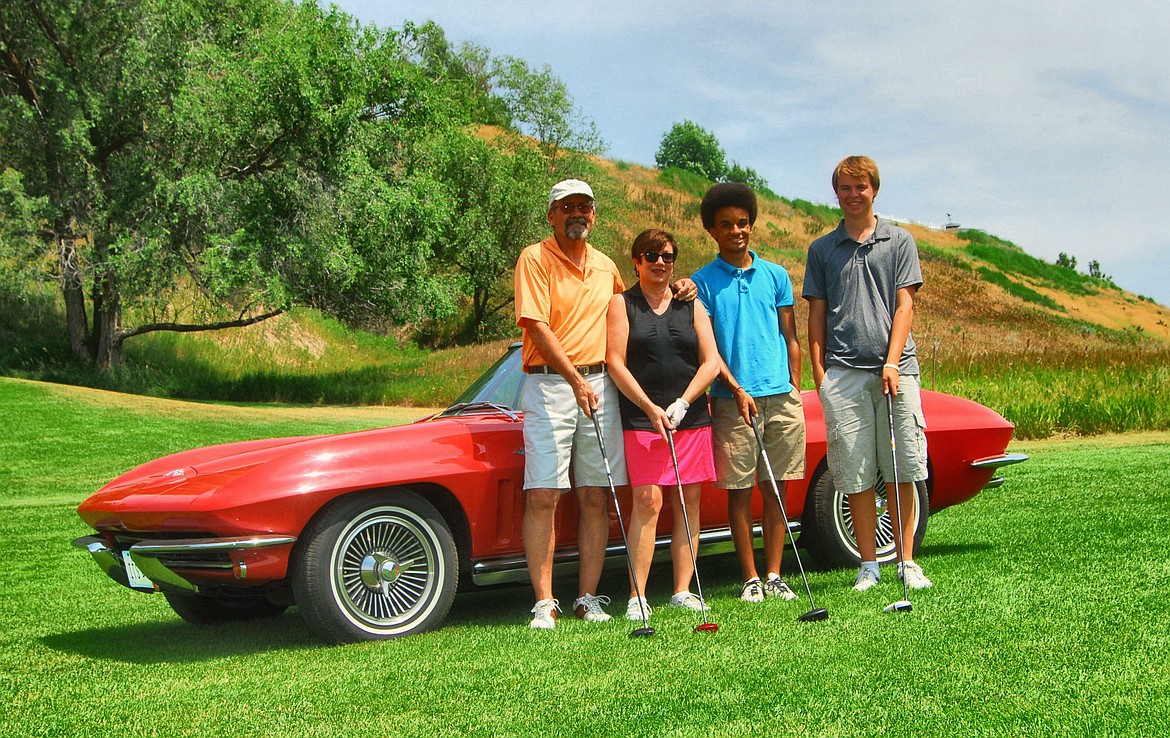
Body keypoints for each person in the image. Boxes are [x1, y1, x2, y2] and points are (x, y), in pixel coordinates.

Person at [514, 179, 697, 630]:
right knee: (543, 494)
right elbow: (536, 326)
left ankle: (587, 597)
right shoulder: (534, 258)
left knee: (597, 495)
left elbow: (638, 302)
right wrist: (575, 380)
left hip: (601, 385)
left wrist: (680, 286)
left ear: (594, 215)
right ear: (552, 214)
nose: (578, 214)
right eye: (567, 207)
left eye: (585, 207)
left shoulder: (604, 266)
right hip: (553, 384)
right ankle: (544, 602)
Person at [802, 155, 933, 593]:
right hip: (844, 376)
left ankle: (907, 561)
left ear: (874, 189)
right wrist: (821, 374)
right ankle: (869, 565)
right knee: (855, 473)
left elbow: (905, 306)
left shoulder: (899, 242)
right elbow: (815, 316)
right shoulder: (822, 250)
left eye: (860, 187)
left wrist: (893, 362)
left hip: (897, 372)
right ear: (836, 193)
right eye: (845, 188)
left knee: (904, 468)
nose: (853, 194)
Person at [691, 183, 806, 603]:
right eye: (726, 225)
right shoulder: (702, 283)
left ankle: (775, 575)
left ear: (751, 224)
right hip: (730, 402)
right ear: (712, 231)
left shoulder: (776, 275)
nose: (736, 231)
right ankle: (751, 578)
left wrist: (793, 383)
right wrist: (736, 388)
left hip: (781, 398)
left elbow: (789, 335)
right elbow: (711, 351)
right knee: (740, 493)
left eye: (742, 223)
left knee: (777, 488)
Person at [605, 228, 720, 622]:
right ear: (636, 261)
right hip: (642, 418)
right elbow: (615, 362)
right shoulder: (622, 304)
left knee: (688, 503)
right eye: (650, 255)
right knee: (648, 501)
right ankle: (638, 594)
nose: (659, 262)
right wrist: (650, 407)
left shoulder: (692, 303)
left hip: (689, 416)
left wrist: (684, 402)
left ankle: (682, 590)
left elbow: (711, 362)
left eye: (667, 256)